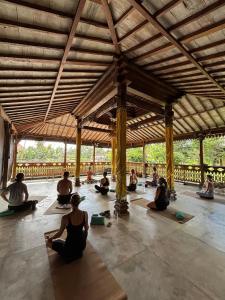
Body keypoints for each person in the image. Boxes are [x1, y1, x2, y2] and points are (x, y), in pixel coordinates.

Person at [47, 193, 89, 263]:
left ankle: (65, 252)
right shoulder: (85, 214)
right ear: (79, 202)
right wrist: (83, 241)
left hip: (68, 251)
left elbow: (59, 233)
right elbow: (86, 229)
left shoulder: (65, 218)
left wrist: (50, 239)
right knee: (60, 240)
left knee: (49, 243)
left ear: (70, 202)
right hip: (81, 248)